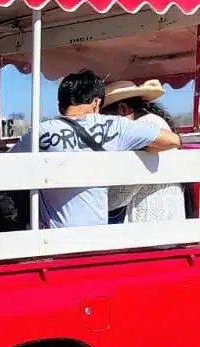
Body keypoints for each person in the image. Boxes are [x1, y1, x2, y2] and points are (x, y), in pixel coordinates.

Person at [21, 70, 180, 228]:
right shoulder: (119, 126)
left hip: (57, 233)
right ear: (96, 103)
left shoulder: (40, 131)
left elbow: (9, 163)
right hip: (117, 228)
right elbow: (173, 140)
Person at [100, 79, 186, 223]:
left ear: (122, 109)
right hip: (169, 221)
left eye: (106, 116)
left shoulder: (140, 129)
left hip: (147, 224)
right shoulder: (155, 123)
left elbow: (124, 190)